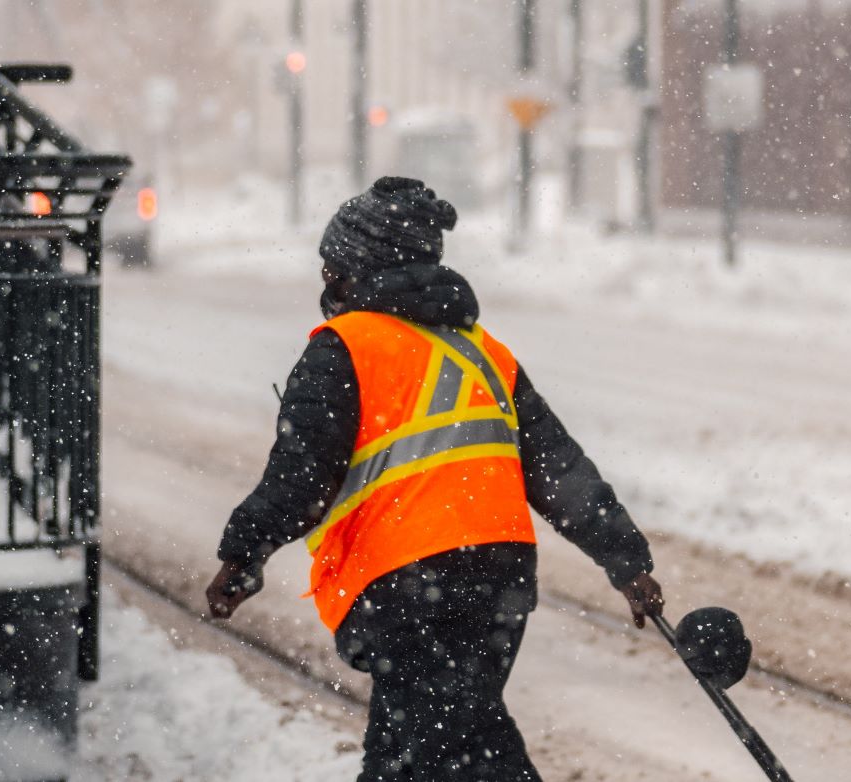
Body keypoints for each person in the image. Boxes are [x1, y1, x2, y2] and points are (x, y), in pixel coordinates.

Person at [205, 177, 664, 782]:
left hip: (407, 582)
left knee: (442, 753)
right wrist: (626, 560)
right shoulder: (484, 352)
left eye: (331, 268)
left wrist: (242, 555)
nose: (326, 283)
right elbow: (559, 467)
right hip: (498, 580)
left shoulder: (345, 349)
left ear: (356, 269)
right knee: (440, 745)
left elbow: (301, 483)